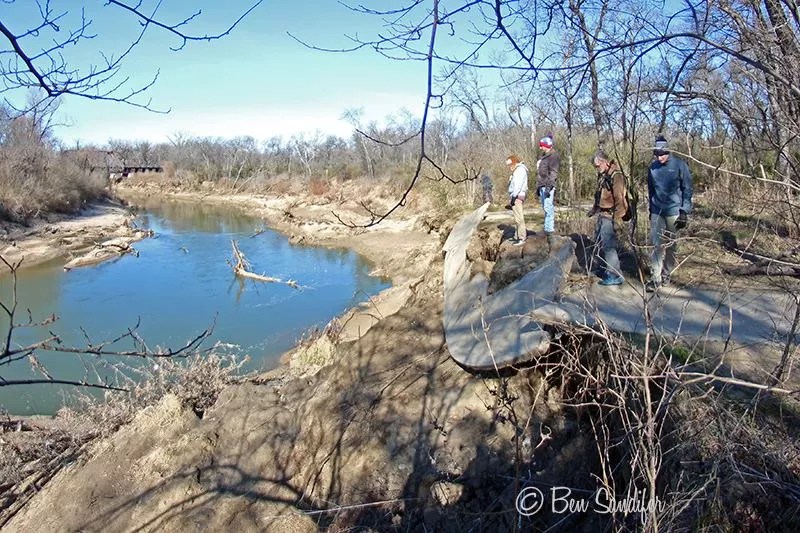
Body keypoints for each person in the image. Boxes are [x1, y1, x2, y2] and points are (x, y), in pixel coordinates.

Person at [646, 134, 693, 292]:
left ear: (668, 152)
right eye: (657, 155)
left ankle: (667, 274)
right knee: (656, 245)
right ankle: (655, 278)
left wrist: (684, 211)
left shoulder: (680, 165)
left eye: (662, 155)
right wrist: (651, 210)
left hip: (674, 211)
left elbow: (687, 188)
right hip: (657, 211)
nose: (660, 158)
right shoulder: (652, 168)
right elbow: (651, 190)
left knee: (671, 245)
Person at [587, 149, 628, 286]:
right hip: (602, 213)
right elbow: (599, 194)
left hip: (611, 215)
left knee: (609, 246)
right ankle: (603, 268)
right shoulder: (603, 174)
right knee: (598, 241)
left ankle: (615, 275)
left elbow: (620, 198)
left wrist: (617, 219)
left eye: (597, 166)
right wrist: (594, 209)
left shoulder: (616, 176)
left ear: (604, 162)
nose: (596, 169)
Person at [536, 136, 559, 250]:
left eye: (542, 145)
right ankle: (546, 230)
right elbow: (540, 174)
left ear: (547, 145)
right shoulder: (544, 157)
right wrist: (538, 187)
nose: (540, 147)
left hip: (548, 186)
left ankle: (550, 233)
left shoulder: (553, 156)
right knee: (545, 208)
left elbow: (553, 173)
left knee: (548, 208)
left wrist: (549, 187)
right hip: (542, 185)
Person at [506, 154, 528, 246]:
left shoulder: (519, 171)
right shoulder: (517, 171)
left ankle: (522, 238)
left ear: (514, 163)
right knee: (517, 218)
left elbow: (518, 185)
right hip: (516, 196)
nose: (509, 167)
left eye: (509, 165)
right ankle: (518, 236)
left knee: (519, 218)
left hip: (517, 196)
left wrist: (514, 196)